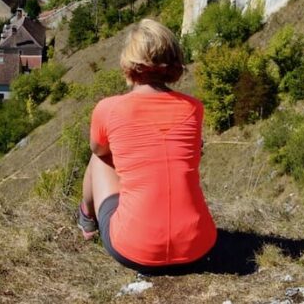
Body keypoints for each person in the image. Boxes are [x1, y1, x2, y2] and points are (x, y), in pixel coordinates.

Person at [77, 18, 217, 273]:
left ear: (128, 63)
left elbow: (100, 151)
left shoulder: (108, 108)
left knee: (98, 156)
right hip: (198, 247)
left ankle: (86, 218)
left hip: (134, 249)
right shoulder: (194, 108)